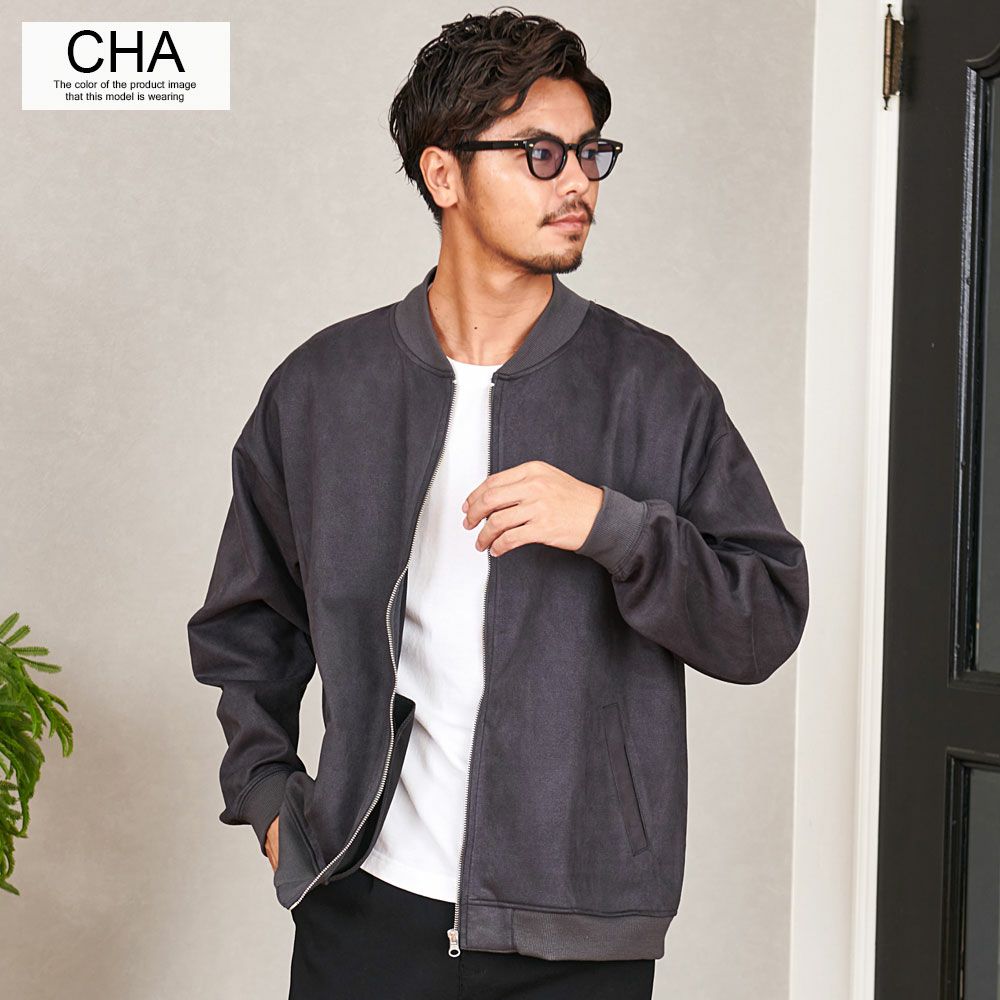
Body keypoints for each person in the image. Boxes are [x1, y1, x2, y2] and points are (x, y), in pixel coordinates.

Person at [187, 8, 810, 999]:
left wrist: (612, 527)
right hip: (364, 908)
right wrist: (268, 797)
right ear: (444, 174)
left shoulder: (653, 388)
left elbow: (763, 620)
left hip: (578, 935)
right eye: (540, 153)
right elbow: (245, 626)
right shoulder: (324, 390)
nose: (578, 182)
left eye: (590, 153)